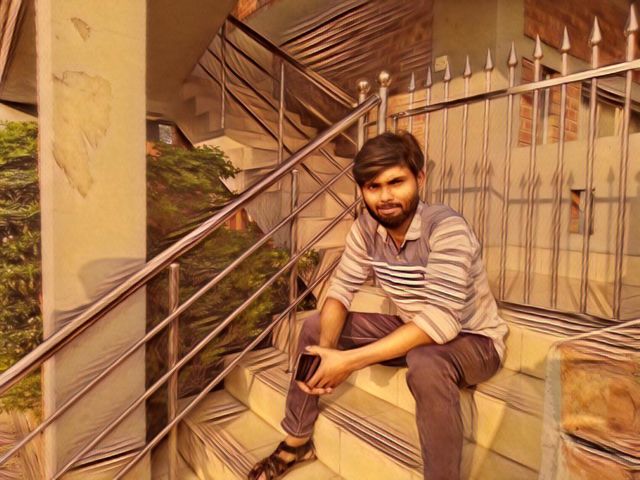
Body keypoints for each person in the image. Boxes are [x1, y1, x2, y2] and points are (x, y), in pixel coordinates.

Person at [248, 131, 508, 480]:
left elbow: (442, 320)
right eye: (373, 186)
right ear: (362, 190)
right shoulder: (365, 230)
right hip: (411, 327)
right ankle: (297, 441)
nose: (385, 197)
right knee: (315, 325)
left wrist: (349, 361)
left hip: (474, 339)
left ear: (420, 179)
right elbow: (340, 291)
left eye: (396, 182)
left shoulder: (446, 228)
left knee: (426, 361)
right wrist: (327, 352)